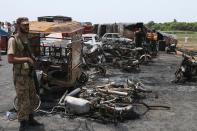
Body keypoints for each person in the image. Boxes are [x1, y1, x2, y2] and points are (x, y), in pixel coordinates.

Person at [7, 17, 43, 131]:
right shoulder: (13, 40)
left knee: (32, 98)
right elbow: (10, 59)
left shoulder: (27, 38)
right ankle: (23, 123)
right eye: (24, 25)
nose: (27, 27)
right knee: (23, 100)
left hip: (29, 74)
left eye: (28, 25)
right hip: (20, 76)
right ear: (18, 26)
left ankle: (31, 119)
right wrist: (27, 59)